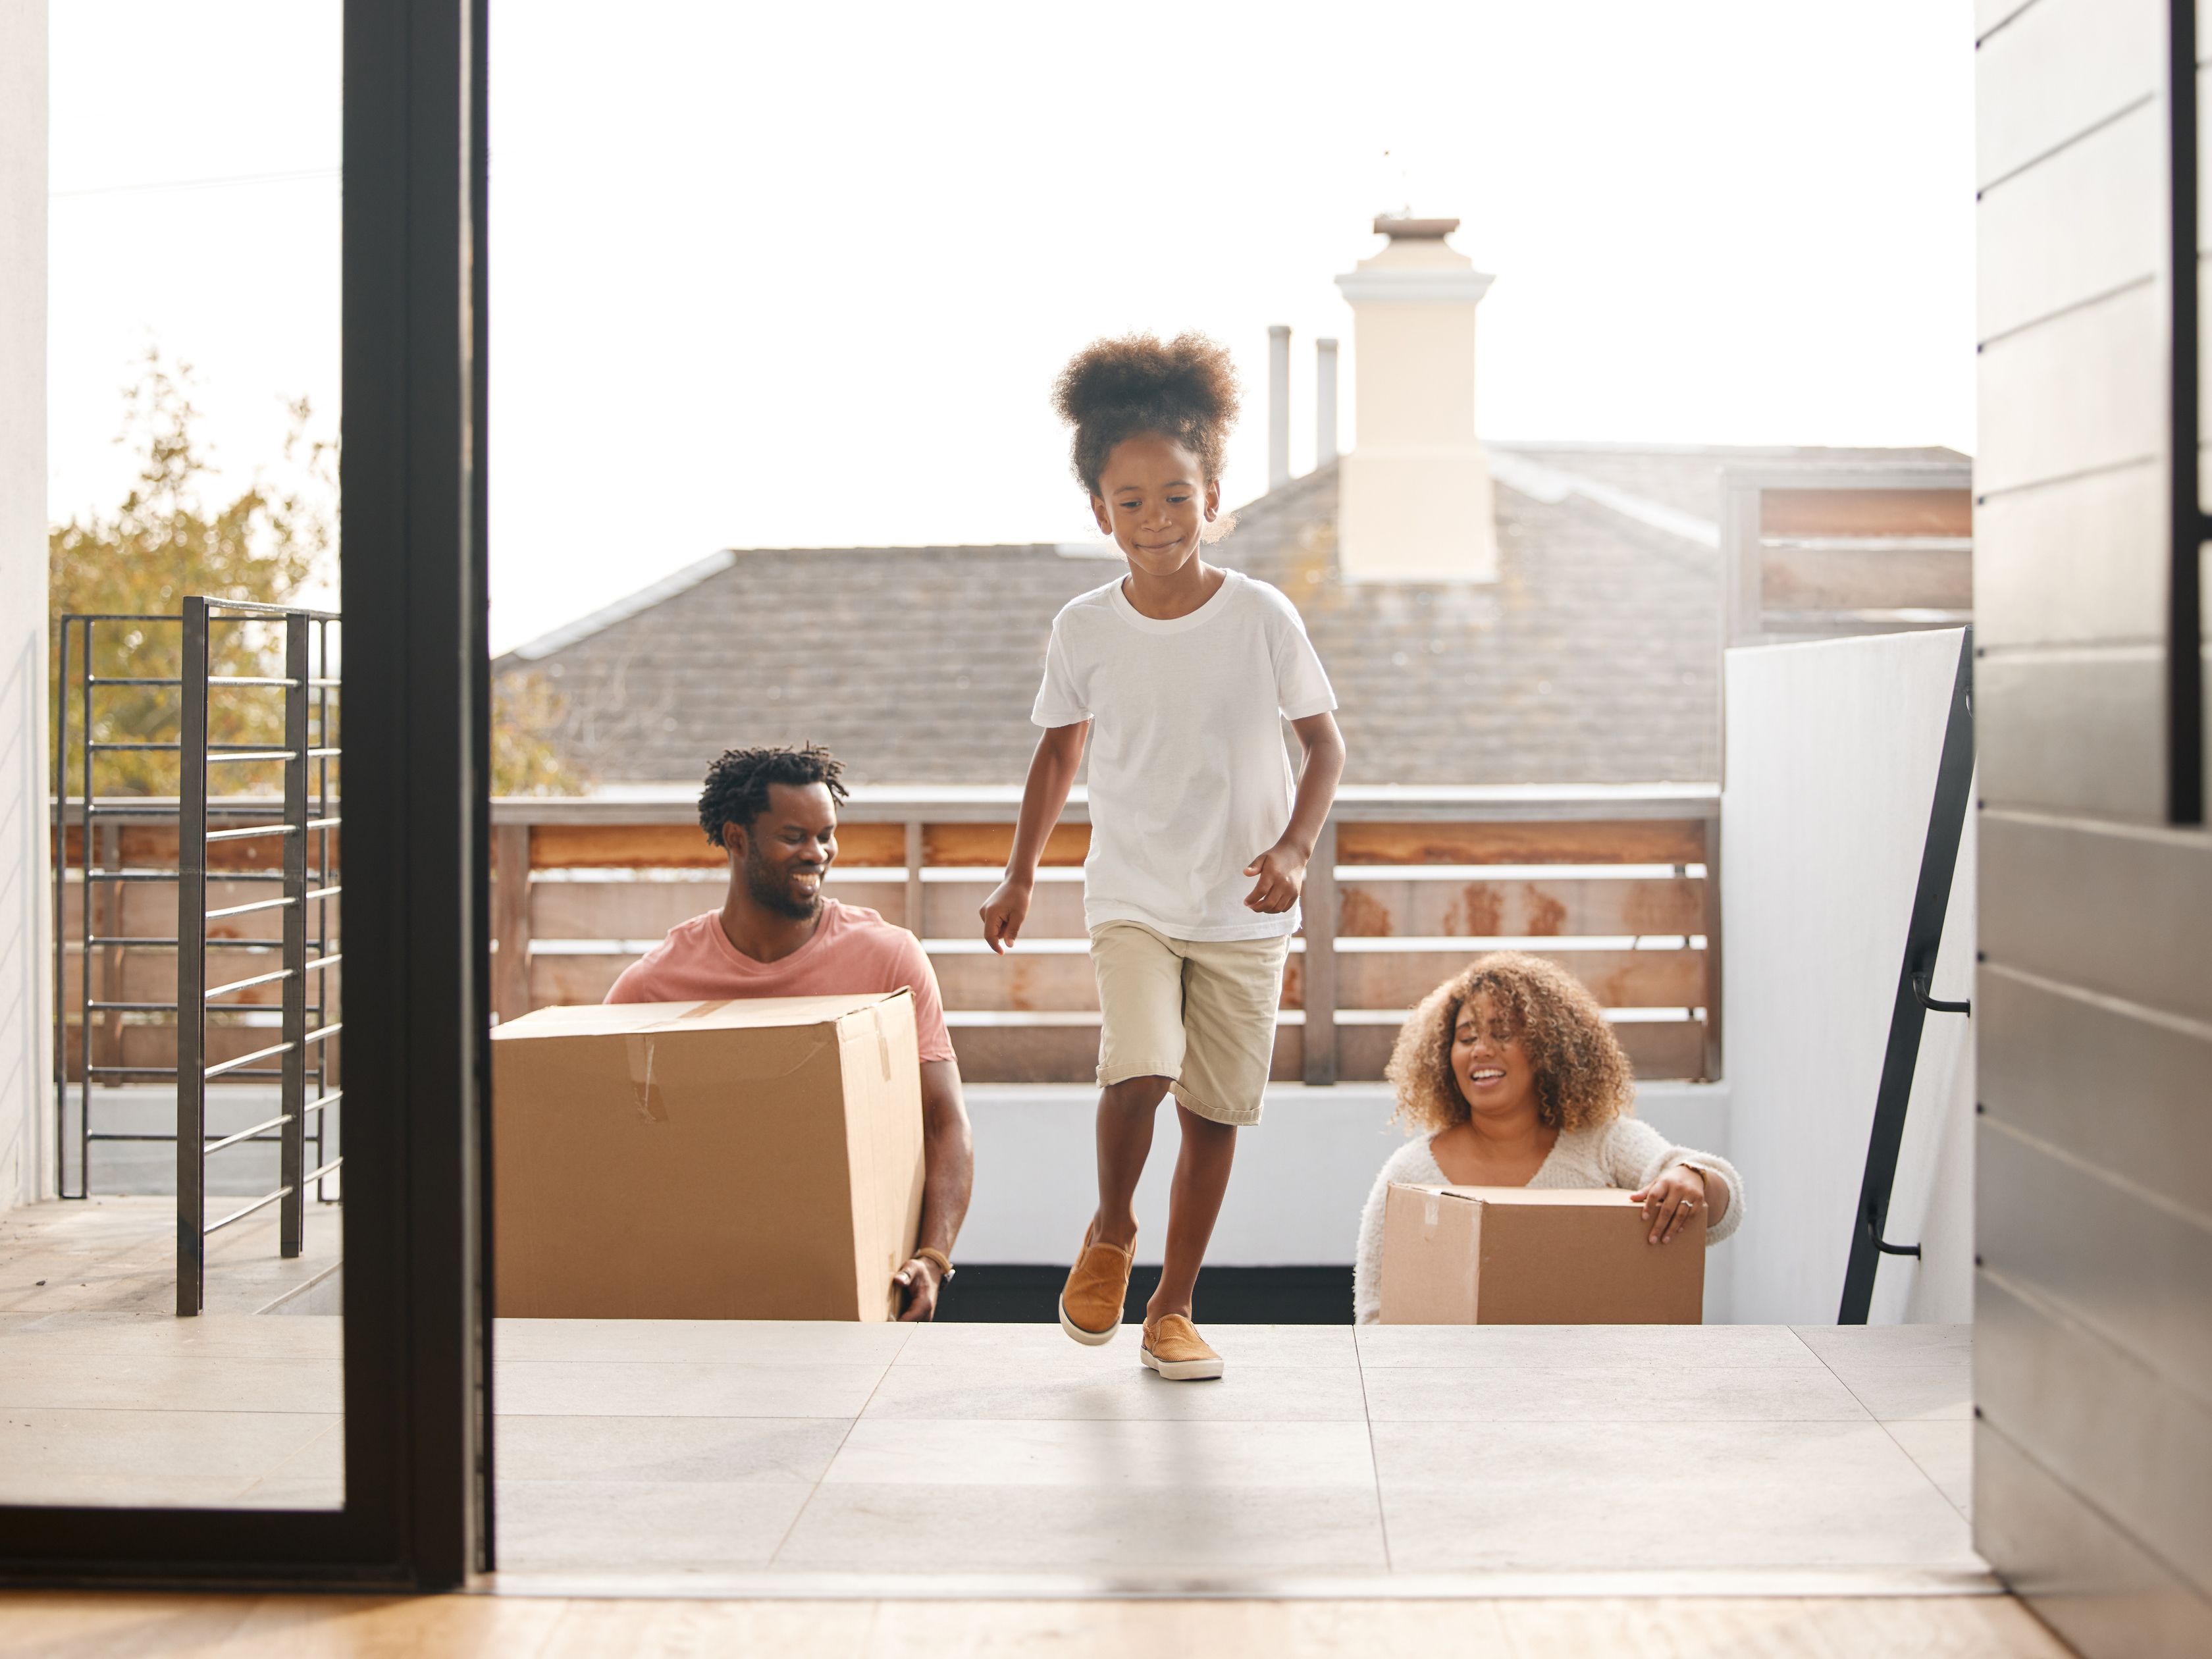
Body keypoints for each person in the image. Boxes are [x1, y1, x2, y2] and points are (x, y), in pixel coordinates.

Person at [980, 333, 1346, 1381]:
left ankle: (1174, 1309)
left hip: (1243, 905)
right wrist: (1019, 873)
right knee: (1138, 1068)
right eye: (1130, 501)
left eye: (1176, 498)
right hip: (1133, 893)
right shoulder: (1084, 627)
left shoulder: (1261, 615)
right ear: (1100, 510)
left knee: (1214, 1113)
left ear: (1213, 497)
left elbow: (1324, 744)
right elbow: (1058, 756)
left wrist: (1292, 848)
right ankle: (1109, 1234)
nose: (1154, 522)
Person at [607, 744, 972, 1321]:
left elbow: (944, 1120)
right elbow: (607, 1140)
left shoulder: (889, 962)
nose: (818, 853)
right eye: (795, 836)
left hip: (857, 1295)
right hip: (705, 1297)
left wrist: (933, 1258)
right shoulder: (655, 985)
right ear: (736, 838)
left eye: (827, 834)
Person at [1353, 951, 1743, 1325]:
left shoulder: (1604, 1144)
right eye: (1467, 1038)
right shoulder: (1409, 1174)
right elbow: (1374, 1314)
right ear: (1444, 1055)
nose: (1482, 1050)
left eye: (1503, 1032)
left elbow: (1721, 1212)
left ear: (1546, 1048)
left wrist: (1693, 1177)